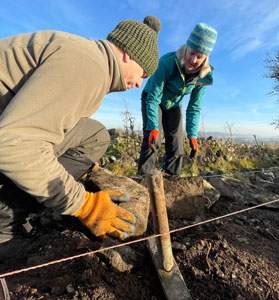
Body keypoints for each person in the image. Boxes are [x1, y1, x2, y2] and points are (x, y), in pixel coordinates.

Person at [0, 15, 161, 259]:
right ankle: (5, 228)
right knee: (92, 137)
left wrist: (83, 165)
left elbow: (55, 128)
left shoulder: (88, 57)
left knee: (94, 135)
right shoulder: (88, 65)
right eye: (143, 74)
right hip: (8, 138)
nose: (140, 83)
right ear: (129, 54)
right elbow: (14, 144)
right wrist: (84, 204)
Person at [137, 22, 217, 176]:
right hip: (153, 99)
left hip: (174, 104)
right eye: (192, 53)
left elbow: (194, 107)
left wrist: (192, 134)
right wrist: (153, 126)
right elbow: (153, 98)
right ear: (186, 49)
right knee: (153, 140)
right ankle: (143, 181)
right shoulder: (167, 63)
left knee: (177, 147)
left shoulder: (203, 75)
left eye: (199, 56)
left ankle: (171, 182)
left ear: (205, 58)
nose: (193, 60)